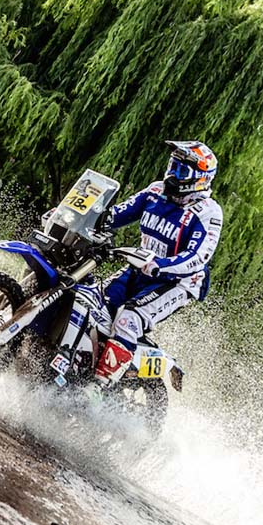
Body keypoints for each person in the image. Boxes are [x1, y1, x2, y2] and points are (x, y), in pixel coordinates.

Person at [92, 140, 222, 392]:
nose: (172, 174)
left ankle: (99, 389)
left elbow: (197, 257)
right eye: (173, 166)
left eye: (181, 171)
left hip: (178, 281)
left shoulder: (208, 212)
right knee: (96, 304)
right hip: (141, 267)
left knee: (128, 318)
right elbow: (117, 214)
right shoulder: (155, 191)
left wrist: (160, 265)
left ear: (200, 178)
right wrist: (86, 217)